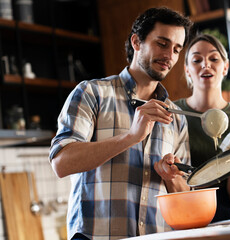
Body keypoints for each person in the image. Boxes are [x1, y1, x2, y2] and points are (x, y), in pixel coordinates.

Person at [49, 7, 193, 240]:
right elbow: (61, 163)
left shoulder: (176, 115)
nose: (170, 56)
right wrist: (131, 137)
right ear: (136, 42)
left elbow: (185, 195)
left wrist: (172, 176)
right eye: (162, 44)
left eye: (177, 49)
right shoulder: (91, 93)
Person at [174, 34, 230, 222]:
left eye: (214, 59)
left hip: (229, 220)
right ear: (187, 70)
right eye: (197, 60)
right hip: (184, 216)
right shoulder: (174, 114)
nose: (206, 64)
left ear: (226, 68)